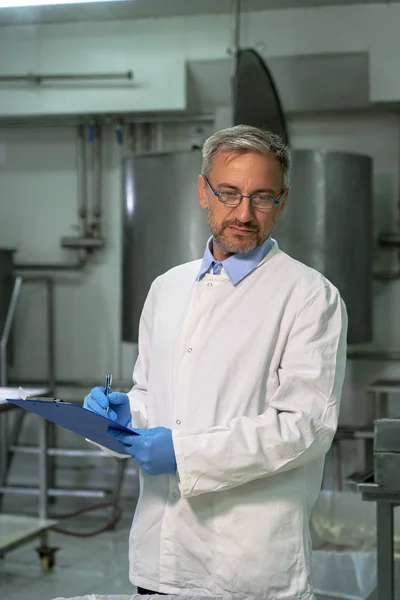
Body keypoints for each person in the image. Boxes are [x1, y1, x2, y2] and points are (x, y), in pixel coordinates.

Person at [84, 125, 348, 600]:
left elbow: (305, 427)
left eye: (262, 197)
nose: (243, 213)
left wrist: (184, 454)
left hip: (247, 567)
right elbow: (151, 393)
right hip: (161, 558)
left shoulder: (310, 297)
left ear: (282, 202)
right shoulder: (167, 288)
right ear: (202, 191)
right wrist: (128, 412)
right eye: (228, 193)